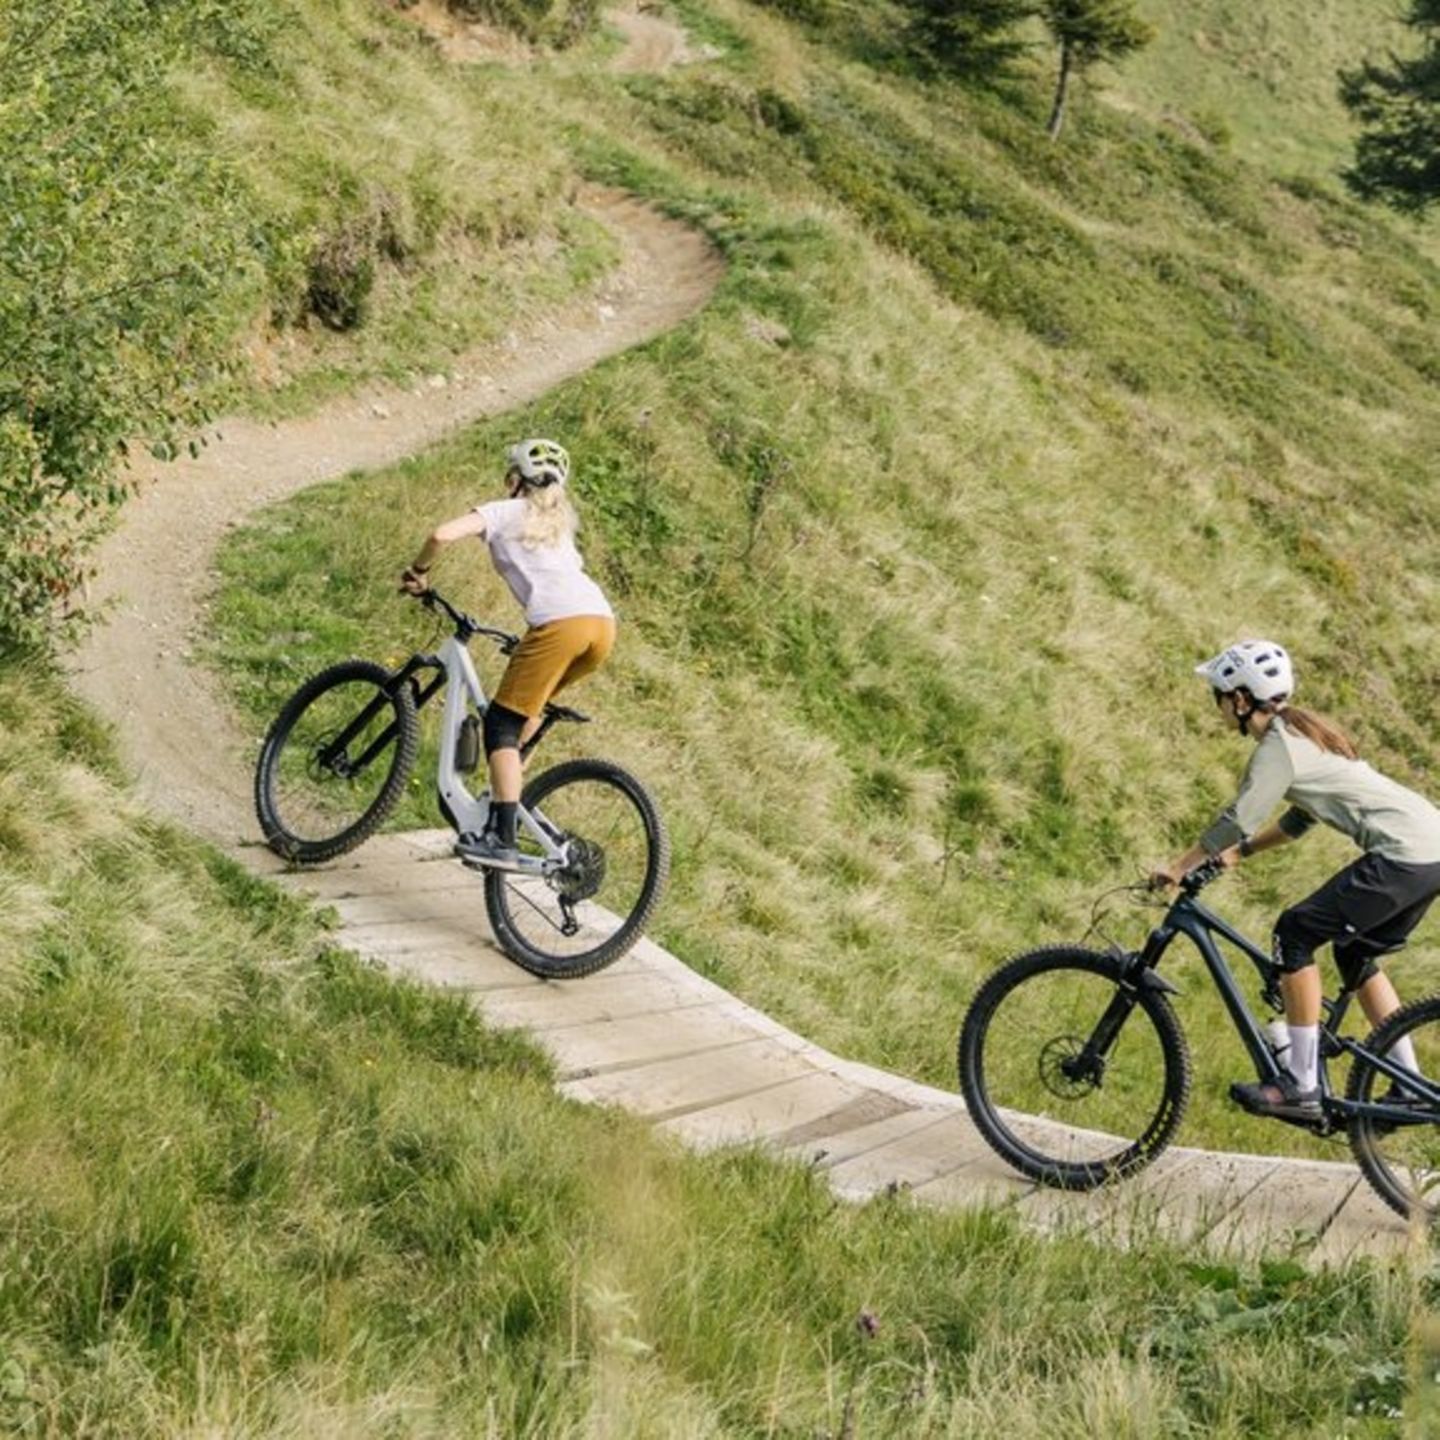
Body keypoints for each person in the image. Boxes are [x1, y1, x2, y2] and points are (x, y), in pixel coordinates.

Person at [1152, 639, 1440, 1119]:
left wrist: (1179, 866)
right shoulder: (1304, 734)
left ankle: (1302, 1084)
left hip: (1404, 855)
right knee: (1354, 951)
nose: (1219, 707)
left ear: (1241, 700)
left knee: (1295, 931)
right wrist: (1239, 855)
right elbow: (1299, 820)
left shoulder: (1279, 745)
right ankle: (1407, 1082)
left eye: (1219, 696)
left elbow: (1239, 816)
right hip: (1431, 851)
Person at [399, 438, 615, 869]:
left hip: (560, 625)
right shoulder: (558, 525)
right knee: (524, 712)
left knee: (499, 721)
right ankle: (507, 800)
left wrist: (419, 572)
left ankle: (502, 837)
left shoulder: (505, 510)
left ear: (515, 481)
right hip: (601, 626)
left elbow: (439, 535)